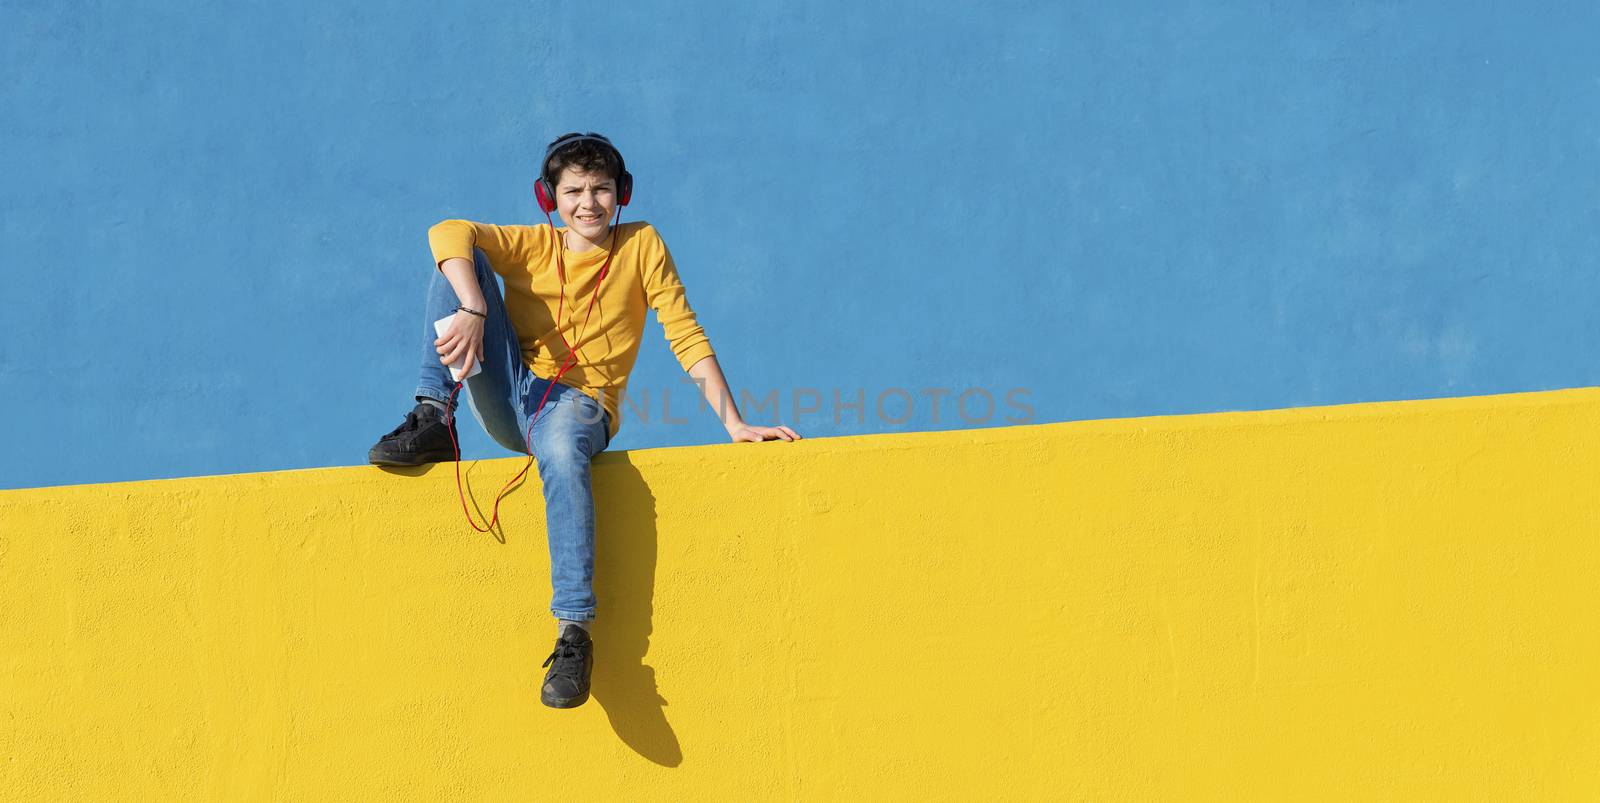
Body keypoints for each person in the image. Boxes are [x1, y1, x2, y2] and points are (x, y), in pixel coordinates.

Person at [367, 132, 800, 708]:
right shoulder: (534, 246)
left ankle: (573, 633)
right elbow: (447, 232)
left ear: (621, 193)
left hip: (579, 403)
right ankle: (431, 416)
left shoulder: (641, 244)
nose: (588, 203)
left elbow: (684, 333)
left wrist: (735, 424)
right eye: (573, 191)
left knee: (564, 452)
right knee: (456, 262)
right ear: (551, 199)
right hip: (515, 392)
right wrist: (474, 306)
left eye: (600, 190)